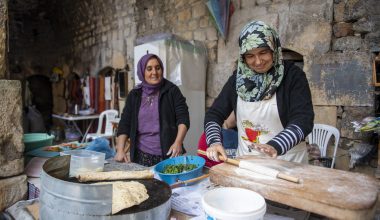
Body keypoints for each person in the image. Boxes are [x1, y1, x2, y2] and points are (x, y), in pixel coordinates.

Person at [204, 20, 314, 163]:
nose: (257, 61)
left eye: (263, 52)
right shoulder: (237, 80)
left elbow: (303, 120)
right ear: (243, 57)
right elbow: (214, 114)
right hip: (247, 162)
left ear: (273, 49)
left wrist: (275, 146)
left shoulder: (293, 76)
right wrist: (214, 142)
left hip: (287, 162)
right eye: (250, 56)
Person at [115, 53, 190, 167]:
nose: (154, 72)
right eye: (149, 69)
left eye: (158, 68)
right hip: (141, 156)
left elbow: (183, 118)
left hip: (169, 154)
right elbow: (125, 122)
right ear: (142, 71)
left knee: (169, 185)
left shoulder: (172, 91)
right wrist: (120, 150)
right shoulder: (135, 95)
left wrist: (178, 142)